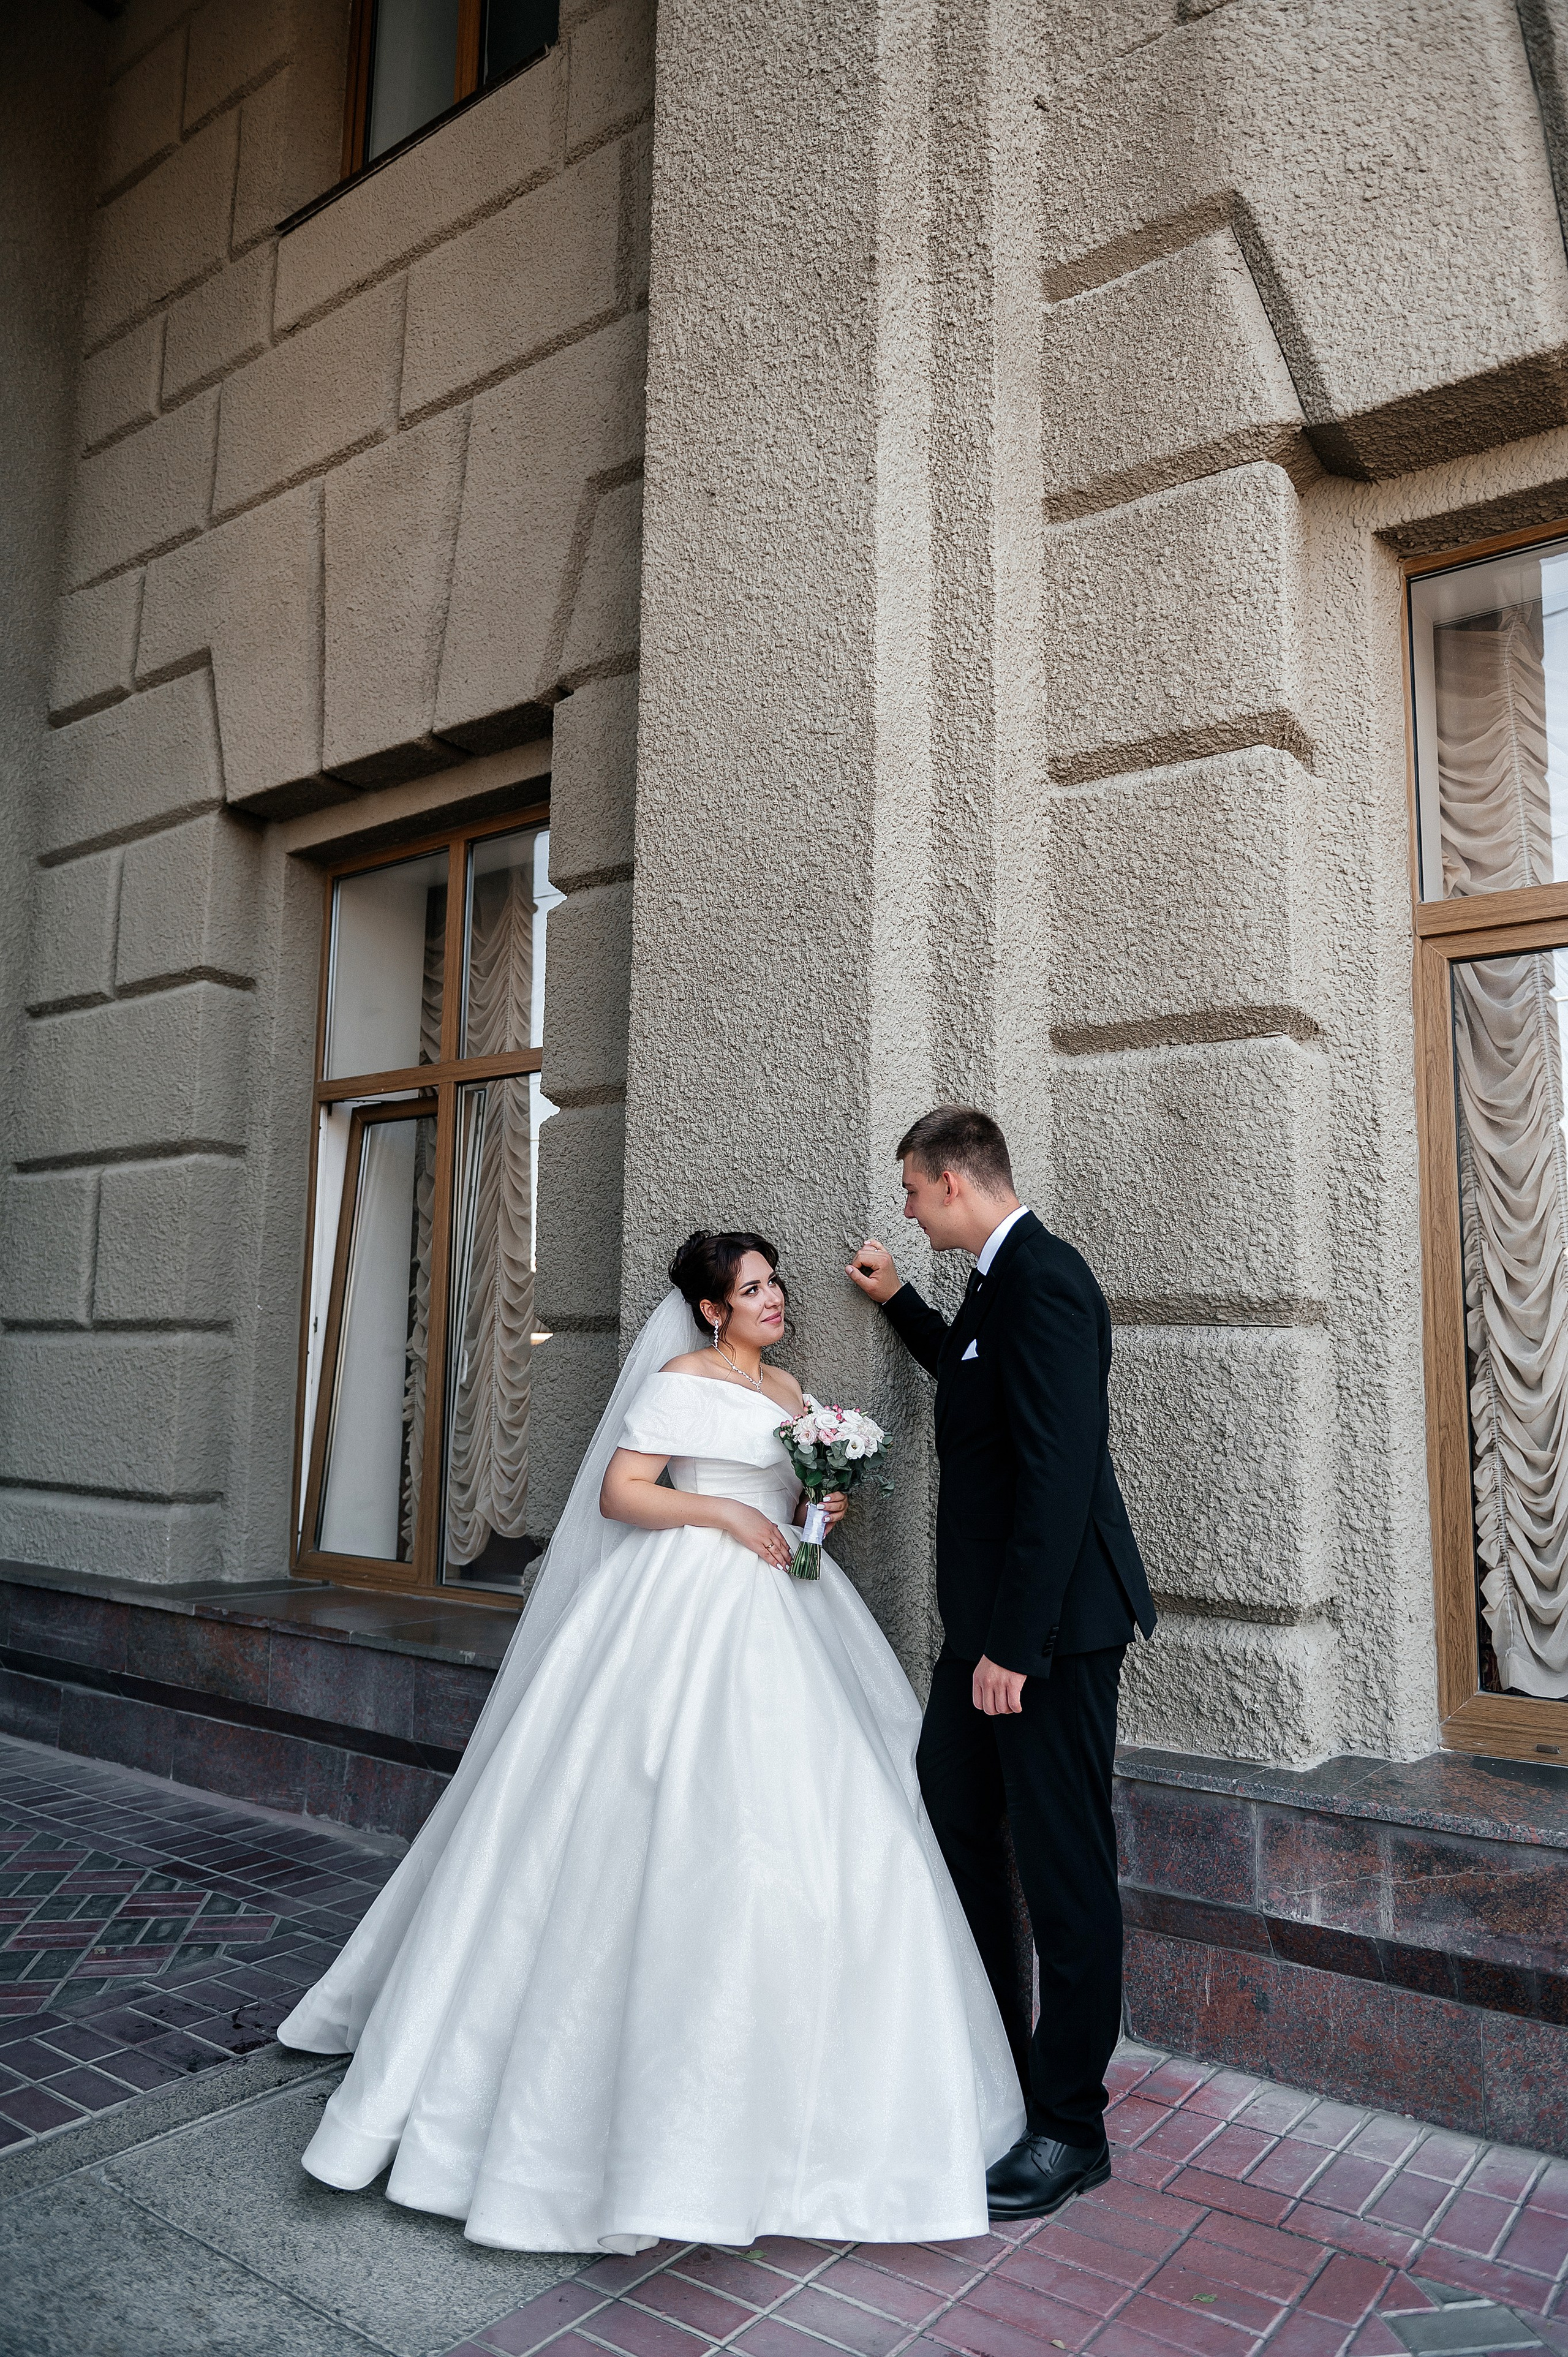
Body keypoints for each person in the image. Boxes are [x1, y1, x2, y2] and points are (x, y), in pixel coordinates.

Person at [279, 1229, 1023, 2252]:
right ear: (713, 1309)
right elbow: (622, 1492)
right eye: (752, 1289)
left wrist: (820, 1503)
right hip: (683, 1600)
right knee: (647, 1810)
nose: (773, 1300)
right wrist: (721, 1512)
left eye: (774, 1284)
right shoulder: (681, 1379)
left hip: (792, 1606)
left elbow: (802, 1509)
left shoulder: (793, 1387)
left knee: (836, 1825)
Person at [848, 1107, 1156, 2222]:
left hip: (1049, 1639)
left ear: (952, 1181)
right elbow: (975, 1383)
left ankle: (1070, 2126)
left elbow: (1060, 1473)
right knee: (951, 1808)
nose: (909, 1211)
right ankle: (997, 2061)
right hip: (987, 1634)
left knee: (1066, 1868)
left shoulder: (1048, 1276)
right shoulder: (989, 1281)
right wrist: (900, 1308)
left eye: (914, 1194)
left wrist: (1012, 1650)